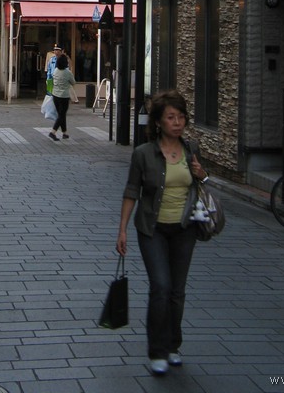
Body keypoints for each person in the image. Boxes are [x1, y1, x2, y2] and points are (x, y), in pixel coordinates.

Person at [115, 89, 209, 376]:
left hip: (184, 229)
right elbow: (132, 191)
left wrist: (202, 174)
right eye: (171, 117)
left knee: (177, 291)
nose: (177, 122)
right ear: (158, 122)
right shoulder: (143, 154)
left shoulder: (191, 149)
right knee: (161, 287)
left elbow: (200, 184)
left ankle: (172, 346)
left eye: (181, 117)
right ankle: (157, 350)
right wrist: (122, 230)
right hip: (151, 228)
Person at [47, 52, 76, 141]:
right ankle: (53, 132)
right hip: (64, 96)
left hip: (55, 95)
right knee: (62, 115)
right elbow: (73, 82)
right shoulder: (68, 72)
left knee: (61, 114)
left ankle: (64, 133)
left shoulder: (55, 71)